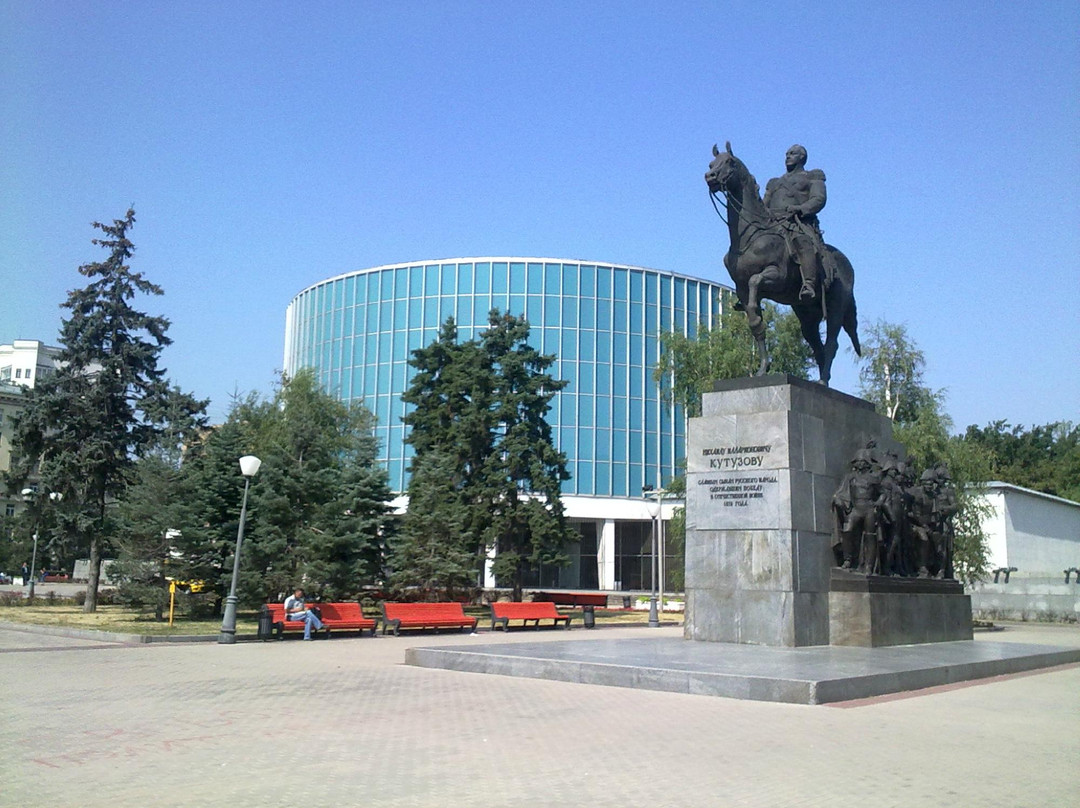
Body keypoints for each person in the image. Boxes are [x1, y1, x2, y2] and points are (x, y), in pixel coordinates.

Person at [763, 144, 828, 302]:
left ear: (802, 157)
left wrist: (800, 208)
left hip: (797, 222)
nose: (788, 156)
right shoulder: (774, 182)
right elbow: (764, 204)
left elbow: (818, 199)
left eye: (792, 153)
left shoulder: (812, 176)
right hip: (774, 223)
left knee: (803, 243)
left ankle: (809, 283)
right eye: (787, 153)